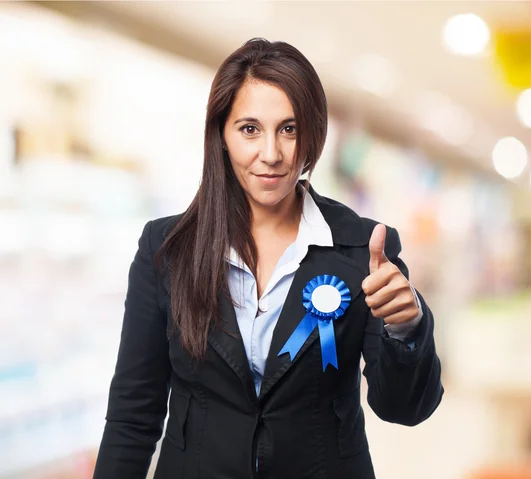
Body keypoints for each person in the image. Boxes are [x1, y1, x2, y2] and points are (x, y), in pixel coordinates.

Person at [92, 38, 443, 479]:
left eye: (289, 129)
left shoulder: (364, 248)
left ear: (313, 133)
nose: (272, 154)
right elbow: (133, 414)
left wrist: (406, 328)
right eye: (250, 129)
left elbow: (405, 409)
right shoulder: (166, 249)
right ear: (221, 134)